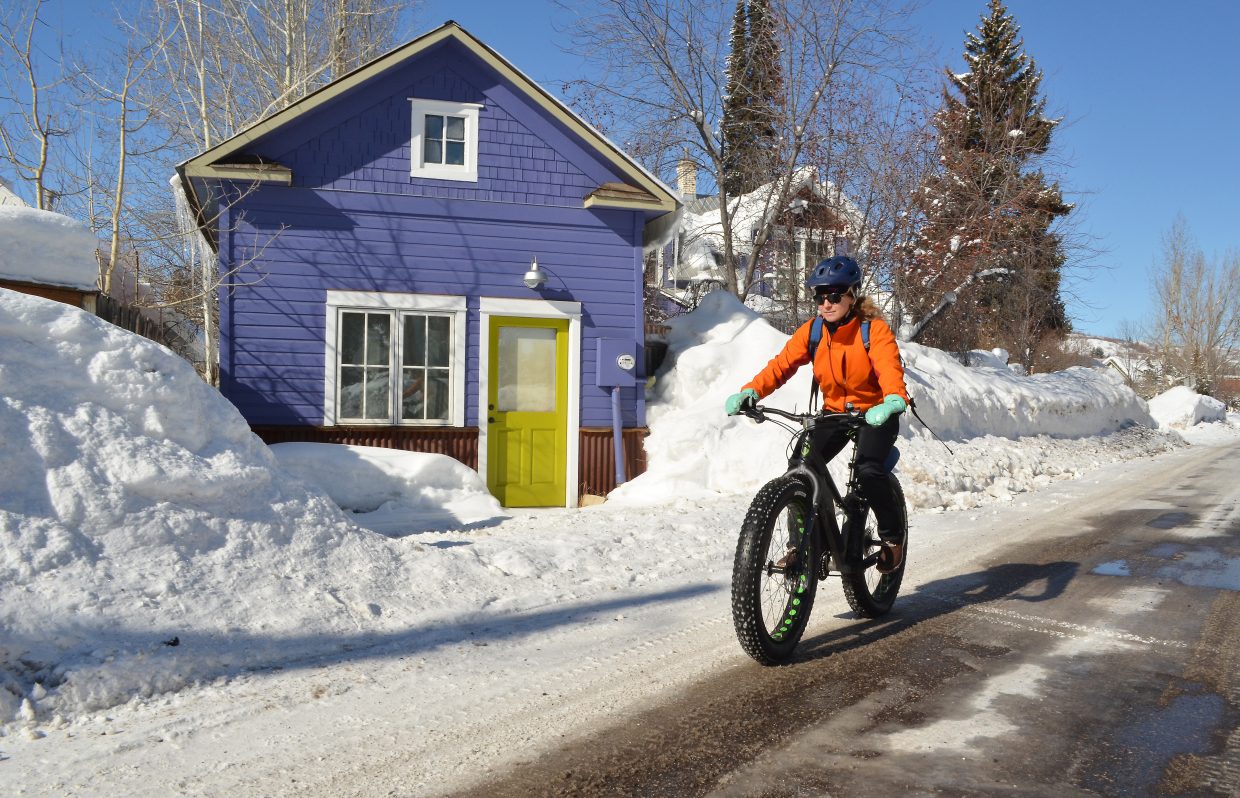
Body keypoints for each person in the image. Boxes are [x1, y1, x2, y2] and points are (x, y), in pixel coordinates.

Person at [724, 255, 910, 573]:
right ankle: (801, 547)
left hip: (876, 412)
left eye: (835, 295)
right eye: (820, 296)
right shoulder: (813, 331)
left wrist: (893, 399)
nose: (826, 303)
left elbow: (889, 367)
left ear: (853, 294)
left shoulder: (873, 331)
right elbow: (781, 365)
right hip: (835, 413)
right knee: (801, 465)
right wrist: (751, 391)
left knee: (868, 470)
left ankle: (893, 540)